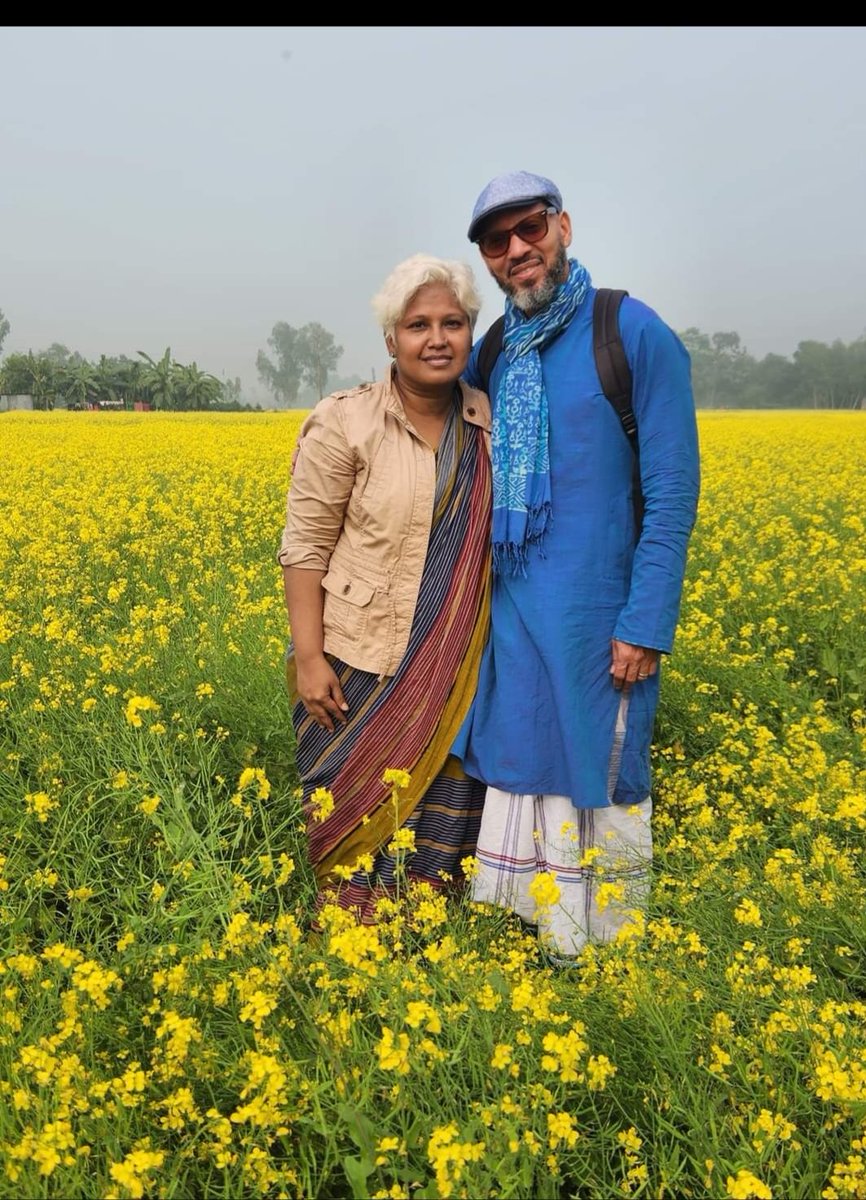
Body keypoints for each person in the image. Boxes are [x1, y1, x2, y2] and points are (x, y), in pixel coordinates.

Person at [453, 170, 701, 962]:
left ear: (564, 226)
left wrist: (646, 623)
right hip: (515, 626)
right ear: (488, 261)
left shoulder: (629, 332)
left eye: (531, 229)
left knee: (603, 781)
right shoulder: (495, 351)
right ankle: (538, 957)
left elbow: (671, 494)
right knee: (526, 772)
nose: (519, 251)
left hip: (605, 632)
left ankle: (607, 966)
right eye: (500, 241)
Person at [277, 254, 492, 924]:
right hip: (355, 664)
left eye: (452, 323)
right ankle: (346, 950)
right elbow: (305, 548)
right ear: (390, 340)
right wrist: (310, 660)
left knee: (435, 831)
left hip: (454, 670)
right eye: (417, 324)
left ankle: (418, 955)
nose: (436, 338)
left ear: (469, 332)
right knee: (347, 825)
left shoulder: (489, 426)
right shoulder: (345, 422)